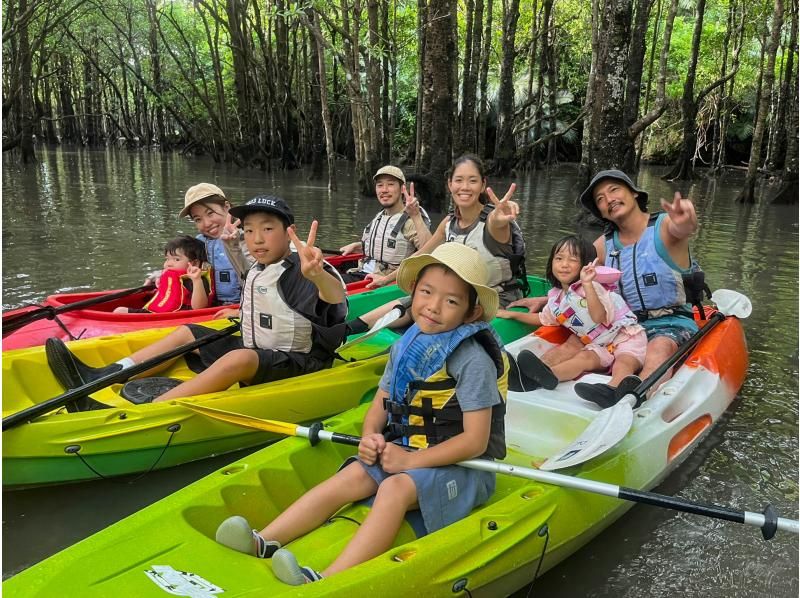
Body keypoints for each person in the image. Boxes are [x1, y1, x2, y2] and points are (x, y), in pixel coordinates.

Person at [213, 243, 509, 585]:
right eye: (427, 292)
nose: (433, 307)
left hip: (466, 467)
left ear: (471, 314)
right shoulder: (408, 344)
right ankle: (263, 540)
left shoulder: (473, 361)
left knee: (395, 488)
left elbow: (475, 441)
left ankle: (326, 579)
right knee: (351, 476)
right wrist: (371, 435)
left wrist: (410, 463)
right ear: (414, 291)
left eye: (451, 301)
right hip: (406, 449)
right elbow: (382, 402)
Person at [45, 196, 348, 407]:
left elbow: (334, 303)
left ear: (288, 232)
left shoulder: (307, 270)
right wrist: (240, 312)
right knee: (189, 332)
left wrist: (319, 276)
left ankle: (152, 409)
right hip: (261, 351)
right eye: (250, 230)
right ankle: (105, 374)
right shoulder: (259, 266)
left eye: (268, 229)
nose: (257, 239)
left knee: (238, 358)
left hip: (301, 364)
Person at [343, 154, 528, 337]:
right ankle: (345, 331)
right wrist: (385, 279)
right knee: (410, 301)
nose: (464, 187)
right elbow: (422, 254)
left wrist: (500, 215)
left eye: (472, 181)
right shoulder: (449, 222)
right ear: (449, 184)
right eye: (459, 180)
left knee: (435, 312)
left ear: (483, 185)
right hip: (455, 296)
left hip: (495, 301)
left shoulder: (495, 222)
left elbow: (496, 222)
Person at [568, 169, 700, 406]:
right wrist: (546, 299)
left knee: (659, 347)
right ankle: (610, 388)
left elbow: (681, 230)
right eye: (600, 199)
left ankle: (638, 397)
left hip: (671, 322)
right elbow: (575, 282)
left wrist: (685, 223)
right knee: (579, 341)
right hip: (625, 327)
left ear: (634, 194)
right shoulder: (603, 245)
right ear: (600, 212)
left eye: (614, 190)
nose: (608, 199)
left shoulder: (665, 227)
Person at [497, 235, 647, 404]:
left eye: (572, 260)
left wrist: (588, 284)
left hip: (625, 337)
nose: (564, 264)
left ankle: (612, 389)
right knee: (583, 360)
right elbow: (544, 318)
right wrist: (512, 314)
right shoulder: (557, 298)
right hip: (597, 344)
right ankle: (543, 376)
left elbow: (599, 317)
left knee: (624, 362)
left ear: (585, 265)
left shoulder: (593, 288)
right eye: (559, 258)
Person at [339, 165, 432, 285]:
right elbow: (383, 245)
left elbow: (429, 252)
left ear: (402, 188)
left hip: (382, 281)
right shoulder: (380, 216)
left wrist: (416, 216)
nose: (384, 190)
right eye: (380, 185)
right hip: (361, 273)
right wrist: (357, 245)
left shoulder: (411, 220)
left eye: (391, 184)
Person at [178, 182, 253, 305]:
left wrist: (233, 246)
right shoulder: (199, 242)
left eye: (210, 213)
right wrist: (159, 276)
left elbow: (257, 279)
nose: (206, 223)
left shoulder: (248, 237)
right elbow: (180, 262)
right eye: (198, 219)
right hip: (212, 305)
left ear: (227, 207)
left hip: (242, 306)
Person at [114, 236, 213, 314]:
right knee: (119, 310)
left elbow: (199, 307)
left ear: (194, 263)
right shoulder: (169, 275)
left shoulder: (197, 279)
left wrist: (197, 281)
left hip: (176, 316)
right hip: (158, 313)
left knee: (119, 311)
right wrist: (149, 284)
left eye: (176, 259)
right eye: (167, 259)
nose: (168, 263)